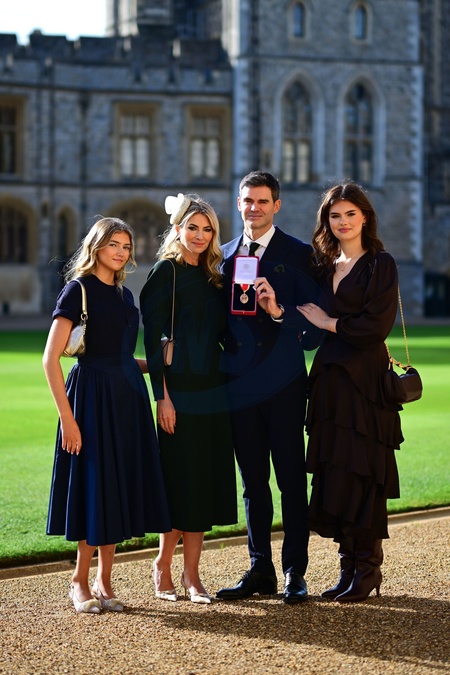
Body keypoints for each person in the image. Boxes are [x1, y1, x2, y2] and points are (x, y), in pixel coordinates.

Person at [43, 217, 171, 614]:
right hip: (91, 400)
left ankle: (104, 580)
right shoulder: (76, 290)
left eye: (126, 246)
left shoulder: (124, 295)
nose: (120, 252)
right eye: (114, 244)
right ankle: (79, 580)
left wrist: (160, 361)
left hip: (127, 401)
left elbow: (122, 359)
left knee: (117, 487)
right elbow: (50, 360)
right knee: (95, 486)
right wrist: (68, 420)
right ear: (96, 246)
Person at [216, 171, 321, 604]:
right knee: (253, 483)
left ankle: (295, 571)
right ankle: (261, 569)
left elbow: (315, 333)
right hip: (240, 390)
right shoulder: (221, 258)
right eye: (247, 200)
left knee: (291, 481)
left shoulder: (300, 254)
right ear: (238, 203)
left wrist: (279, 312)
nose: (254, 208)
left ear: (276, 205)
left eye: (262, 201)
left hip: (284, 387)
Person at [297, 182, 403, 603]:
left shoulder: (381, 264)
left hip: (365, 385)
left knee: (364, 472)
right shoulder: (324, 266)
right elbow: (306, 324)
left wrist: (329, 323)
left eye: (350, 214)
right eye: (334, 216)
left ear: (365, 217)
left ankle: (368, 568)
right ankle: (347, 567)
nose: (342, 222)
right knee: (337, 472)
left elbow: (376, 327)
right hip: (330, 383)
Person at [139, 193, 237, 605]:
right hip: (178, 391)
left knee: (204, 481)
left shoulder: (216, 276)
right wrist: (162, 397)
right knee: (180, 479)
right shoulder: (166, 271)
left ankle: (192, 575)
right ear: (177, 228)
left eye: (207, 229)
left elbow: (226, 335)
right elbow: (152, 337)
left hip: (214, 390)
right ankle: (163, 565)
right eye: (192, 227)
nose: (200, 235)